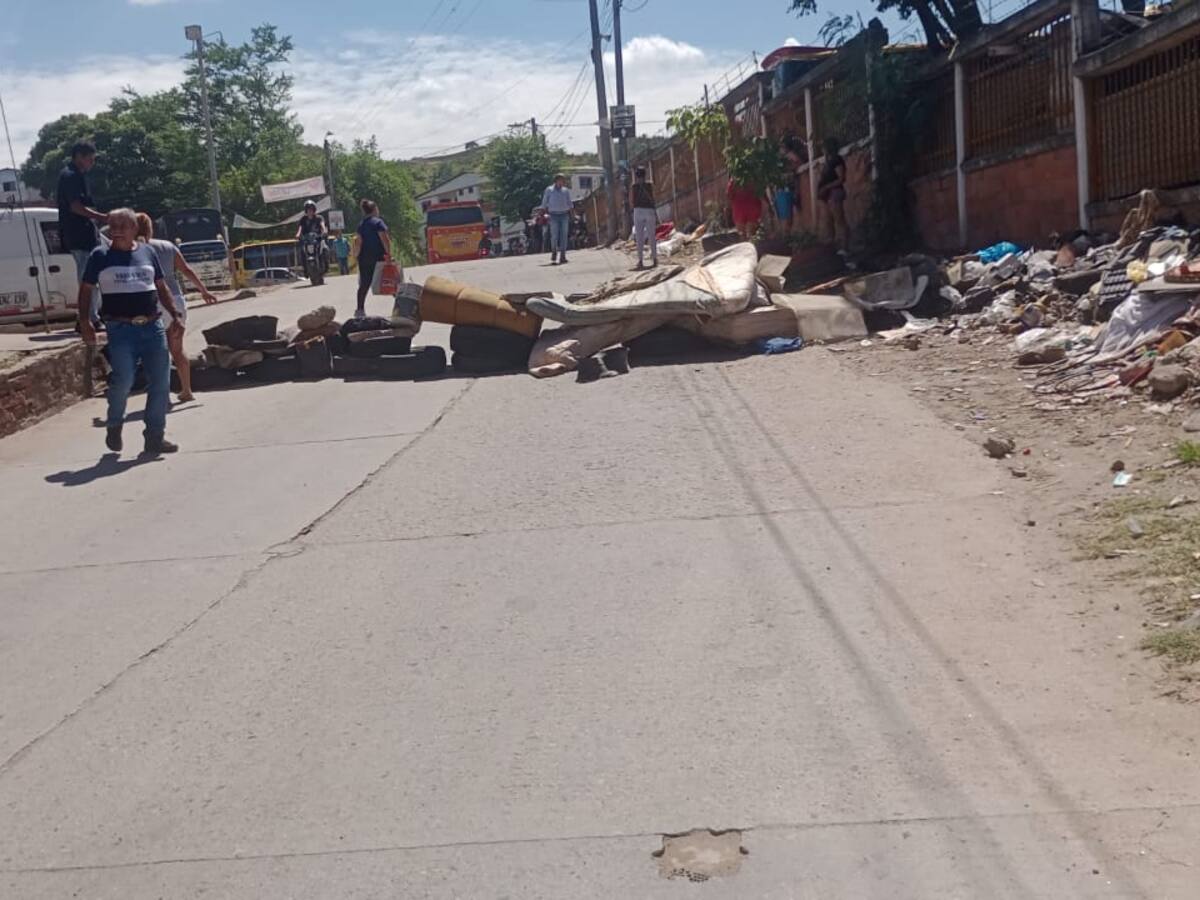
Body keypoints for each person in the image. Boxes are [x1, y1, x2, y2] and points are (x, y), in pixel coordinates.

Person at [78, 208, 185, 456]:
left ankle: (155, 437)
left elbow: (161, 286)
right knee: (123, 380)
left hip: (152, 326)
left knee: (160, 382)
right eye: (112, 225)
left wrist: (175, 315)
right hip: (120, 329)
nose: (116, 230)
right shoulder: (99, 256)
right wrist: (85, 321)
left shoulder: (147, 252)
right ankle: (114, 423)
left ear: (135, 228)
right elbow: (86, 290)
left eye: (122, 225)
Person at [135, 213, 217, 403]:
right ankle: (187, 390)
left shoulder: (134, 249)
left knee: (156, 351)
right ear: (150, 228)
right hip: (176, 302)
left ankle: (162, 394)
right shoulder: (167, 246)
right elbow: (186, 270)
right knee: (177, 350)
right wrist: (203, 291)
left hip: (152, 302)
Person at [57, 141, 107, 325]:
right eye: (89, 159)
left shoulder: (79, 176)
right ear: (79, 156)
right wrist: (101, 216)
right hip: (79, 234)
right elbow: (75, 206)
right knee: (88, 278)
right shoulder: (70, 176)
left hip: (86, 234)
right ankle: (89, 318)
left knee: (94, 276)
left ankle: (92, 315)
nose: (91, 164)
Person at [351, 198, 391, 318]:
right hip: (379, 257)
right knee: (391, 280)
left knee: (364, 284)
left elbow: (359, 242)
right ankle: (401, 306)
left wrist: (355, 255)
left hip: (364, 258)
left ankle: (359, 309)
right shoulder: (378, 222)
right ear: (374, 209)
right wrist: (389, 254)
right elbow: (385, 239)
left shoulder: (361, 225)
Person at [817, 136, 849, 251]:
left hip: (834, 193)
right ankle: (834, 248)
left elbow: (841, 178)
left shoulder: (837, 160)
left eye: (823, 147)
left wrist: (826, 187)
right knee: (829, 221)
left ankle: (845, 247)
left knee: (839, 220)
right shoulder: (828, 160)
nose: (822, 149)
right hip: (827, 195)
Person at [774, 135, 807, 237]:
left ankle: (787, 240)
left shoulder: (790, 156)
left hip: (790, 189)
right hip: (782, 190)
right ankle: (786, 240)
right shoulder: (778, 158)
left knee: (789, 219)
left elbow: (799, 164)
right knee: (786, 219)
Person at [539, 173, 573, 265]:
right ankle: (554, 251)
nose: (562, 182)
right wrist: (542, 211)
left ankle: (563, 256)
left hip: (564, 215)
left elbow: (569, 203)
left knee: (564, 235)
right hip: (553, 215)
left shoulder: (565, 191)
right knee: (554, 236)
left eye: (563, 180)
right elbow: (544, 201)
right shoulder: (549, 190)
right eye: (561, 180)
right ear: (556, 181)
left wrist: (572, 214)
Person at [630, 166, 658, 269]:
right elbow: (655, 196)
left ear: (636, 176)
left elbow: (632, 200)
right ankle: (655, 259)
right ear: (645, 175)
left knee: (639, 237)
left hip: (638, 211)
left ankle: (640, 261)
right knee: (652, 236)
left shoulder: (634, 187)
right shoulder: (650, 185)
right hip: (649, 210)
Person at [295, 200, 329, 272]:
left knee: (325, 249)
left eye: (311, 209)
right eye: (308, 209)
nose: (310, 211)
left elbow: (322, 224)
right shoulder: (303, 219)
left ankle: (326, 266)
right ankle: (305, 269)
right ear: (306, 211)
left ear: (314, 210)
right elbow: (300, 228)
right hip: (307, 240)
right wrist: (298, 234)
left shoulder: (319, 218)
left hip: (318, 239)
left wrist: (324, 230)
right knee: (302, 252)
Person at [728, 176, 763, 241]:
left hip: (739, 208)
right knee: (751, 234)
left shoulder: (733, 180)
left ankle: (745, 247)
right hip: (752, 206)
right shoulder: (752, 176)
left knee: (742, 235)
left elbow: (730, 195)